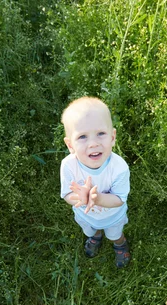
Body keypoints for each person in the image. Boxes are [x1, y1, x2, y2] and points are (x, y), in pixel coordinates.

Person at [60, 97, 131, 268]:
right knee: (91, 229)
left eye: (101, 133)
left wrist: (97, 198)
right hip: (85, 215)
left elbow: (119, 199)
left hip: (113, 216)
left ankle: (120, 244)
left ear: (113, 137)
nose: (93, 143)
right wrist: (81, 198)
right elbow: (67, 194)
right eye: (82, 137)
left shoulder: (119, 167)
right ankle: (96, 235)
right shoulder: (68, 165)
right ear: (70, 145)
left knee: (115, 234)